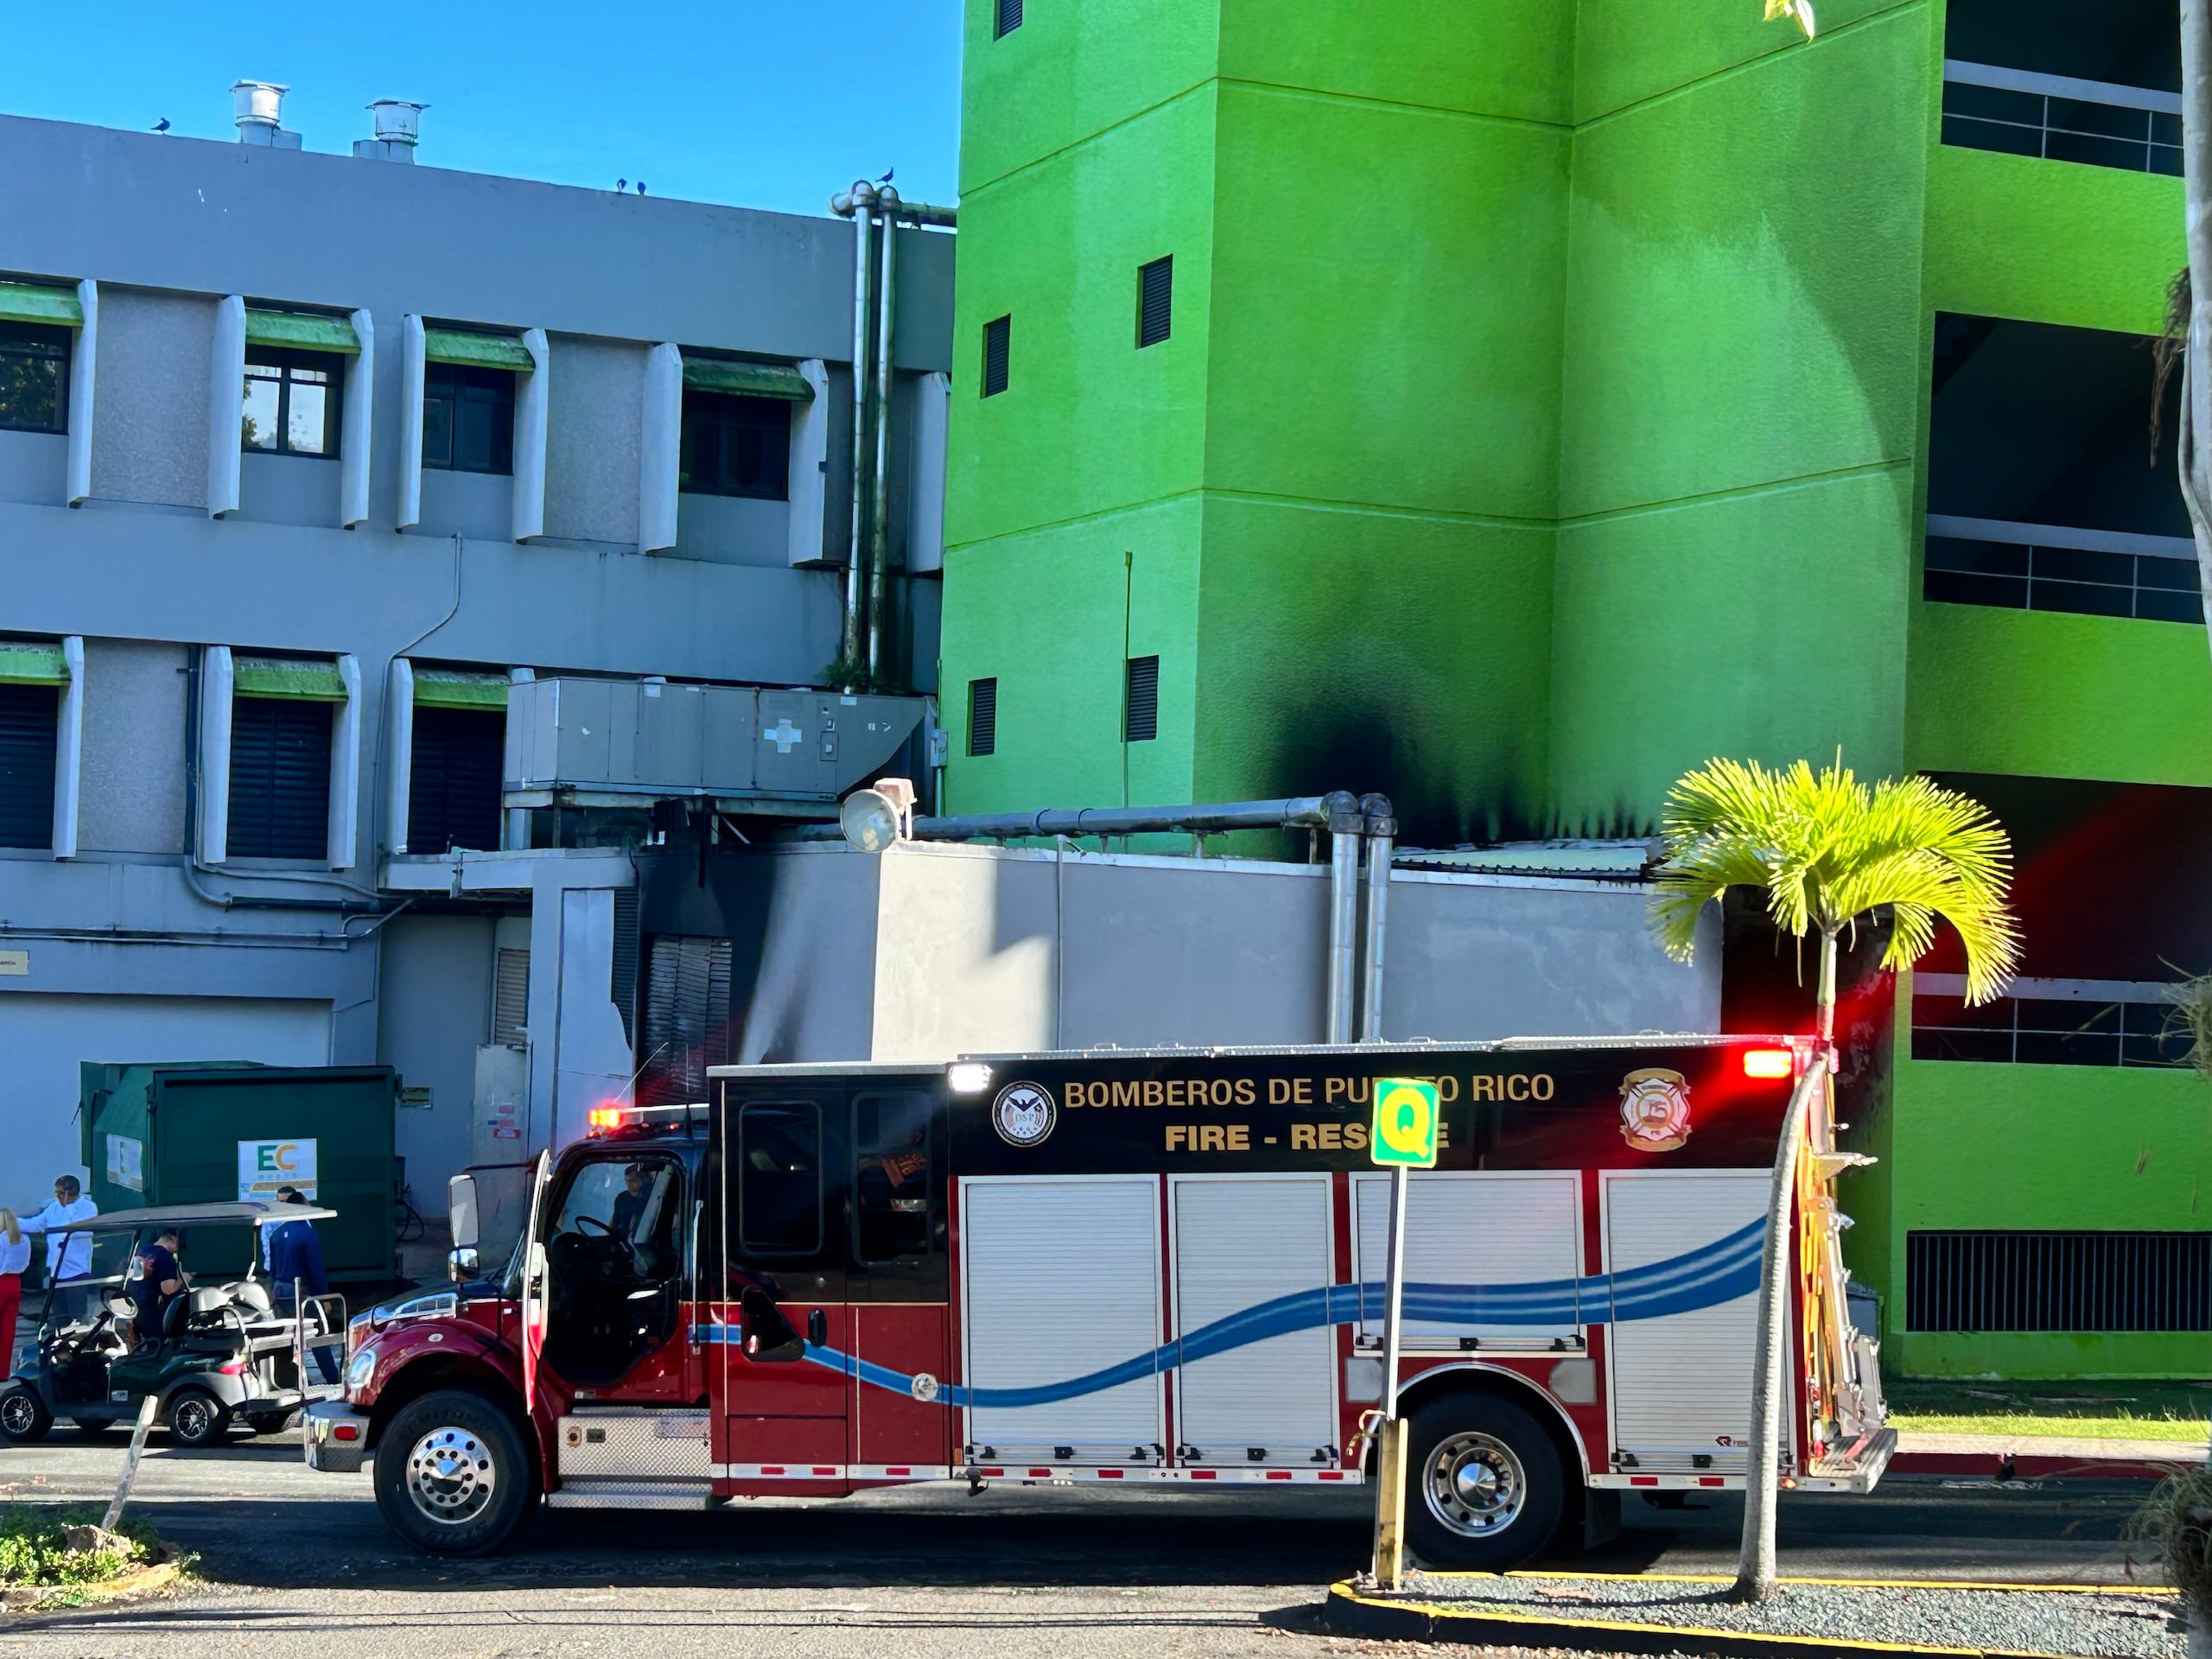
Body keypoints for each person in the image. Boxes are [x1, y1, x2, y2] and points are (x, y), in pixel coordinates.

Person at [266, 1187, 337, 1384]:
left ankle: (288, 1379)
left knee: (285, 1337)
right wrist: (324, 1298)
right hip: (301, 1290)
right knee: (316, 1333)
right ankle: (332, 1378)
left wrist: (271, 1290)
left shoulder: (277, 1234)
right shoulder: (308, 1234)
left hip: (279, 1289)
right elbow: (316, 1269)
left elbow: (272, 1268)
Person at [20, 1177, 97, 1325]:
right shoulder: (54, 1207)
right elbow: (36, 1223)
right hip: (56, 1269)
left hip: (76, 1270)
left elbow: (79, 1229)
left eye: (60, 1193)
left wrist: (67, 1207)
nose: (57, 1197)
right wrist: (12, 1221)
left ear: (69, 1193)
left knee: (77, 1315)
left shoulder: (88, 1207)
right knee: (59, 1315)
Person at [127, 1226, 186, 1350]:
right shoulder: (165, 1257)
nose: (177, 1250)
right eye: (179, 1244)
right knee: (160, 1349)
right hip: (156, 1311)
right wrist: (184, 1278)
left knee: (149, 1347)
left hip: (139, 1307)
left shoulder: (141, 1251)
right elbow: (168, 1289)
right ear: (173, 1240)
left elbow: (135, 1276)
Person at [0, 1211, 27, 1376]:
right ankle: (3, 1371)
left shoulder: (1, 1239)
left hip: (1, 1281)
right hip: (15, 1282)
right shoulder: (24, 1240)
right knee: (8, 1329)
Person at [608, 1164, 652, 1242]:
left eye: (632, 1180)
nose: (628, 1185)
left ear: (643, 1181)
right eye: (627, 1181)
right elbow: (613, 1224)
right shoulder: (621, 1199)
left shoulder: (651, 1197)